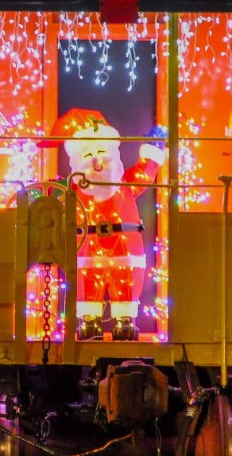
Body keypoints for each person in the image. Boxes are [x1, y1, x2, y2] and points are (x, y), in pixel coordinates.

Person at [47, 108, 163, 341]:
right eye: (89, 156)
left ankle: (125, 321)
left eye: (102, 152)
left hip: (125, 247)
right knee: (87, 283)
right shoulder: (73, 191)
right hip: (88, 247)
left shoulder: (126, 184)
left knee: (126, 284)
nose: (97, 161)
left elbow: (145, 174)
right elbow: (51, 195)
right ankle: (89, 322)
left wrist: (153, 151)